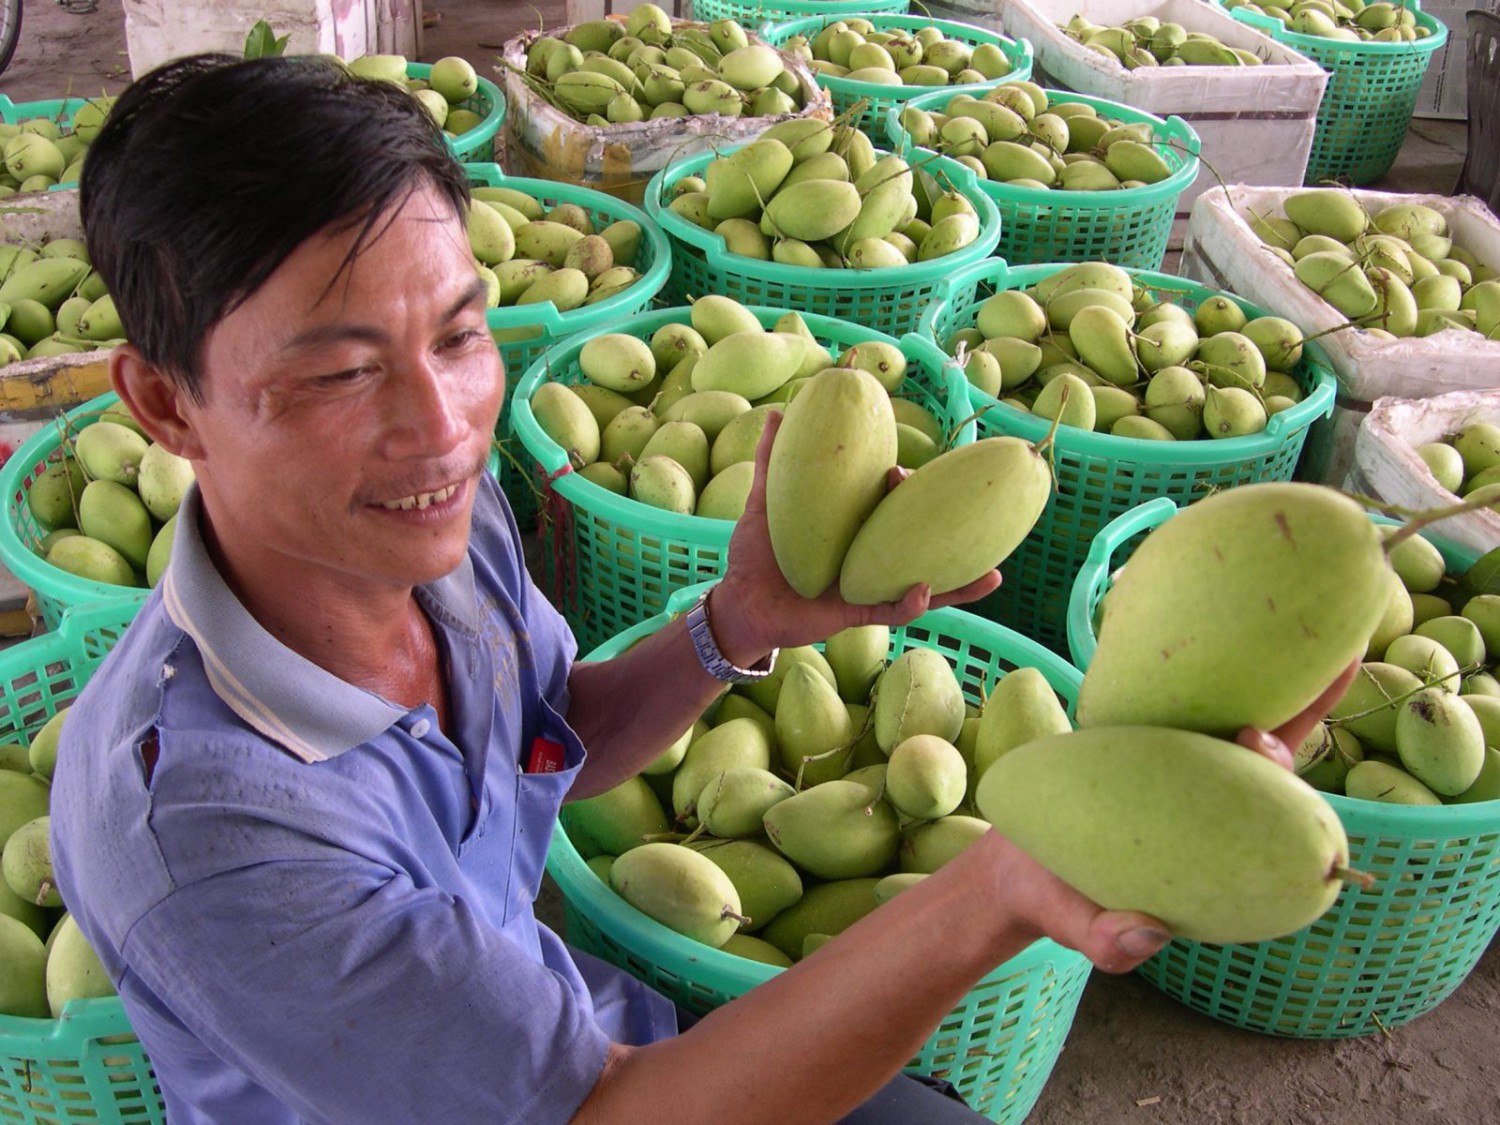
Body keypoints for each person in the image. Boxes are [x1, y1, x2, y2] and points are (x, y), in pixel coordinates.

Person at [49, 53, 1350, 1125]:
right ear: (166, 404)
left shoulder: (431, 525)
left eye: (458, 333)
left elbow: (547, 739)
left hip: (558, 1036)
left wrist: (738, 627)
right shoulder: (205, 834)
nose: (442, 427)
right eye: (341, 373)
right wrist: (999, 888)